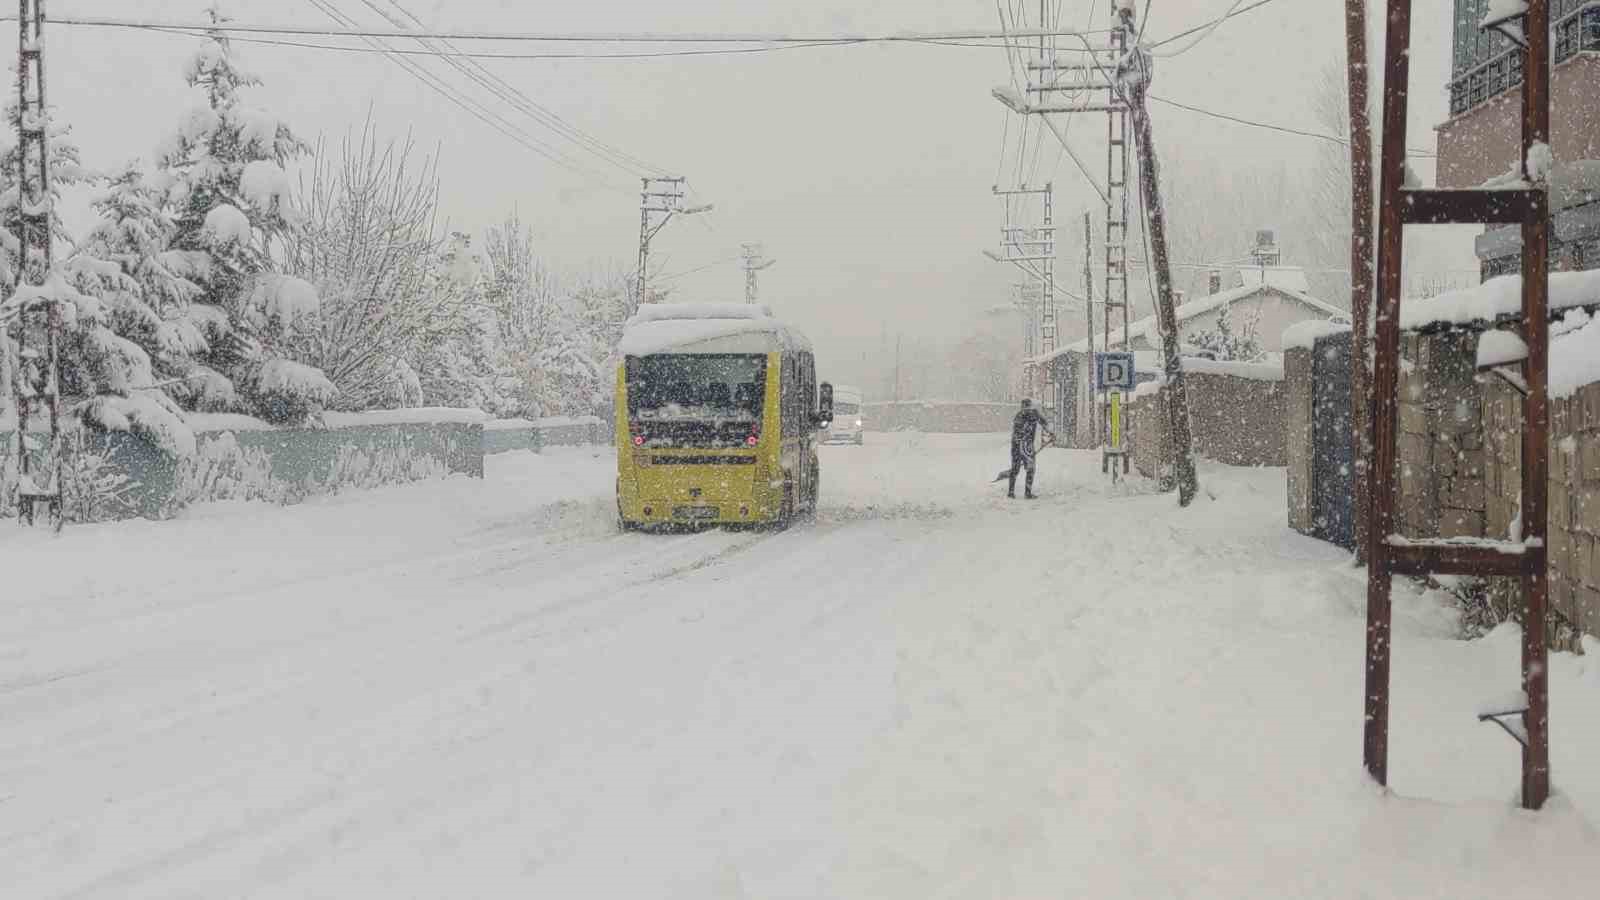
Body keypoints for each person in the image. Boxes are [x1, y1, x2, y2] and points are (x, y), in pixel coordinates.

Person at [1006, 398, 1054, 499]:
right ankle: (1027, 493)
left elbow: (1016, 432)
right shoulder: (1034, 413)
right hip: (1026, 446)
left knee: (1015, 469)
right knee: (1030, 469)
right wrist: (1051, 433)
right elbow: (1044, 423)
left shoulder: (1018, 415)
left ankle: (1011, 492)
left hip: (1016, 445)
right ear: (1030, 405)